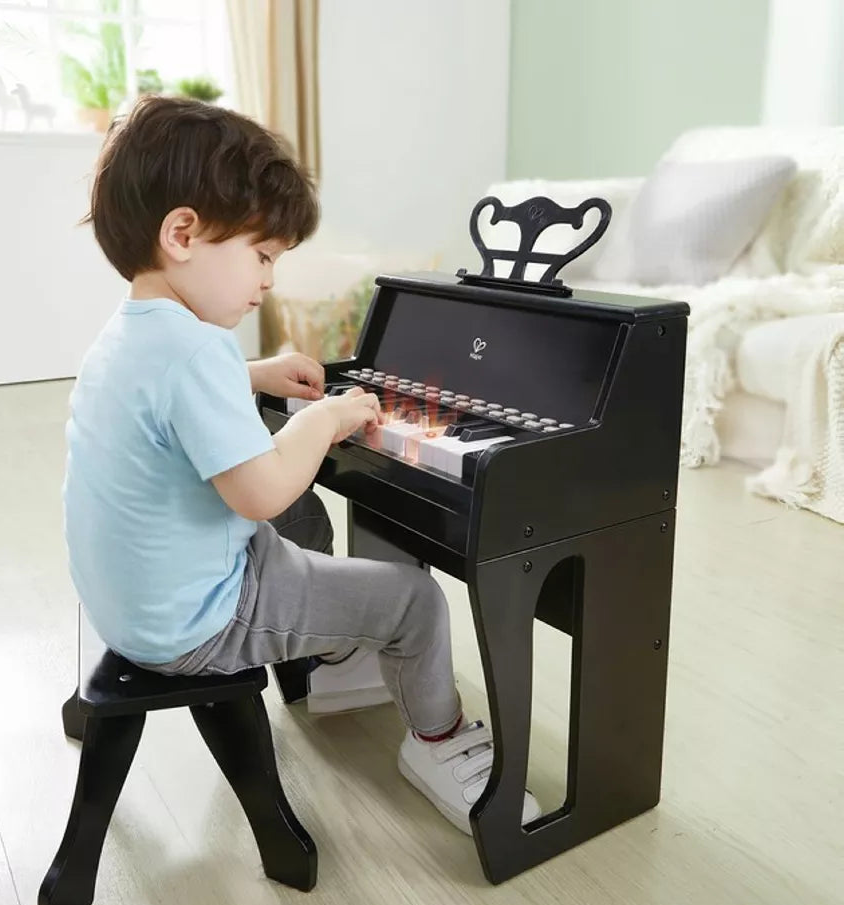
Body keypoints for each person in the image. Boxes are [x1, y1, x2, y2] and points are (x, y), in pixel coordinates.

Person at [62, 96, 539, 833]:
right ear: (183, 233)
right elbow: (261, 490)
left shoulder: (132, 335)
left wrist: (255, 375)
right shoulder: (194, 352)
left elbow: (178, 399)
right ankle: (437, 741)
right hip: (198, 623)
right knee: (415, 600)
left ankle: (339, 656)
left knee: (303, 515)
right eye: (262, 257)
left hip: (131, 598)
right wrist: (325, 417)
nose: (269, 281)